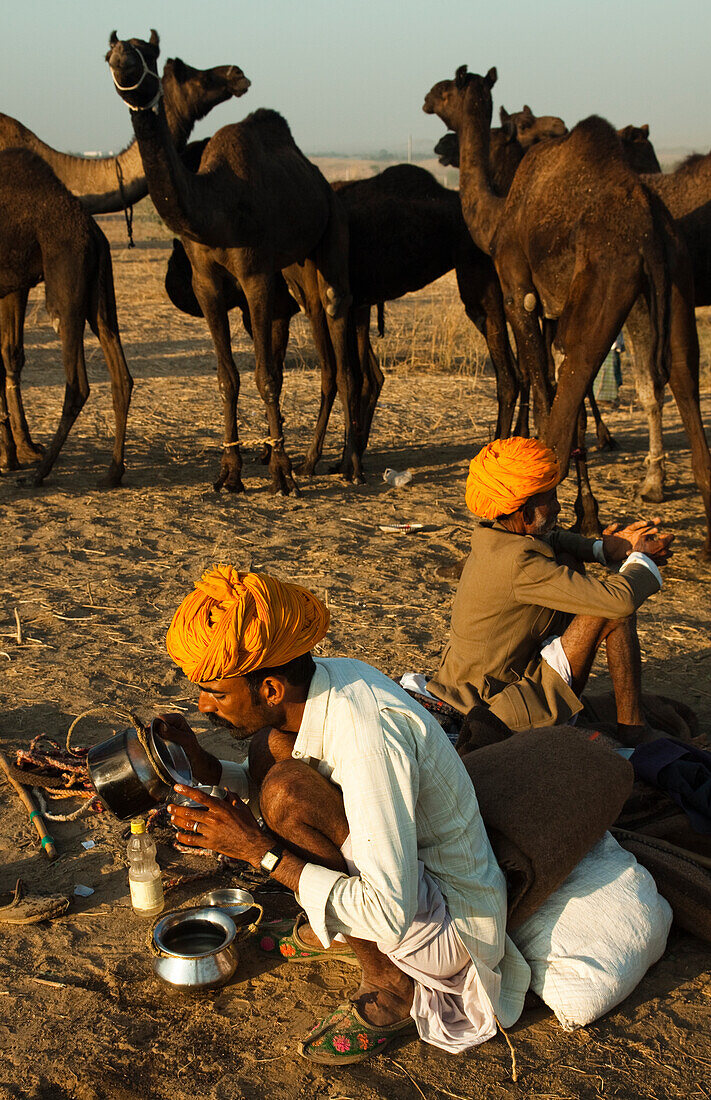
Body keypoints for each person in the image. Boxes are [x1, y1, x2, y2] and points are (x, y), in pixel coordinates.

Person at [157, 566, 531, 1066]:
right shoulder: (324, 680)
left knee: (287, 793)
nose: (204, 706)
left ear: (269, 689)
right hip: (402, 877)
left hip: (450, 928)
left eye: (217, 694)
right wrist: (204, 766)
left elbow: (390, 912)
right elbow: (267, 773)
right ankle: (329, 918)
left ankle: (392, 986)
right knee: (271, 753)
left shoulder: (367, 740)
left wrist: (257, 852)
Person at [427, 437, 673, 741]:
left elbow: (553, 540)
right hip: (494, 706)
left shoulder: (493, 537)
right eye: (551, 498)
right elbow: (619, 601)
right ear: (526, 512)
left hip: (472, 684)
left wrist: (604, 549)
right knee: (611, 612)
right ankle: (635, 731)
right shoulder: (520, 564)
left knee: (569, 561)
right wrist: (640, 559)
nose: (558, 506)